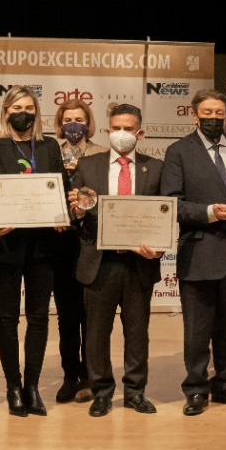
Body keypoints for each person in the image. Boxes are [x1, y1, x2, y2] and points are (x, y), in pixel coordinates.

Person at [0, 85, 68, 417]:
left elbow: (63, 191)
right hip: (5, 245)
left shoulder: (49, 146)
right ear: (6, 111)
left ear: (37, 113)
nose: (23, 112)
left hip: (43, 247)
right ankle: (13, 387)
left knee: (39, 317)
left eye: (29, 107)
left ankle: (33, 386)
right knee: (7, 318)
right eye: (17, 106)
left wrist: (64, 216)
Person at [162, 89, 226, 414]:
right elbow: (172, 204)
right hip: (200, 253)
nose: (214, 118)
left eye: (219, 113)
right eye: (207, 113)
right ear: (194, 115)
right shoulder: (178, 151)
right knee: (197, 330)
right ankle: (195, 389)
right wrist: (209, 212)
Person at [70, 103, 164, 417]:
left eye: (128, 129)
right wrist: (78, 209)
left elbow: (165, 215)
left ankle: (135, 392)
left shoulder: (157, 167)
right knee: (96, 331)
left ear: (140, 133)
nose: (121, 134)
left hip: (140, 262)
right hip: (100, 261)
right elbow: (76, 212)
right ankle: (102, 391)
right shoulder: (88, 165)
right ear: (109, 131)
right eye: (116, 128)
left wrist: (160, 247)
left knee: (137, 331)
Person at [51, 98, 105, 404]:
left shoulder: (100, 154)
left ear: (89, 123)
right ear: (60, 124)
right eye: (68, 119)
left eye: (80, 119)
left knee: (91, 314)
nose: (74, 125)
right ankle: (70, 375)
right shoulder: (49, 153)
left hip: (92, 240)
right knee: (67, 315)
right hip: (60, 242)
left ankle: (91, 376)